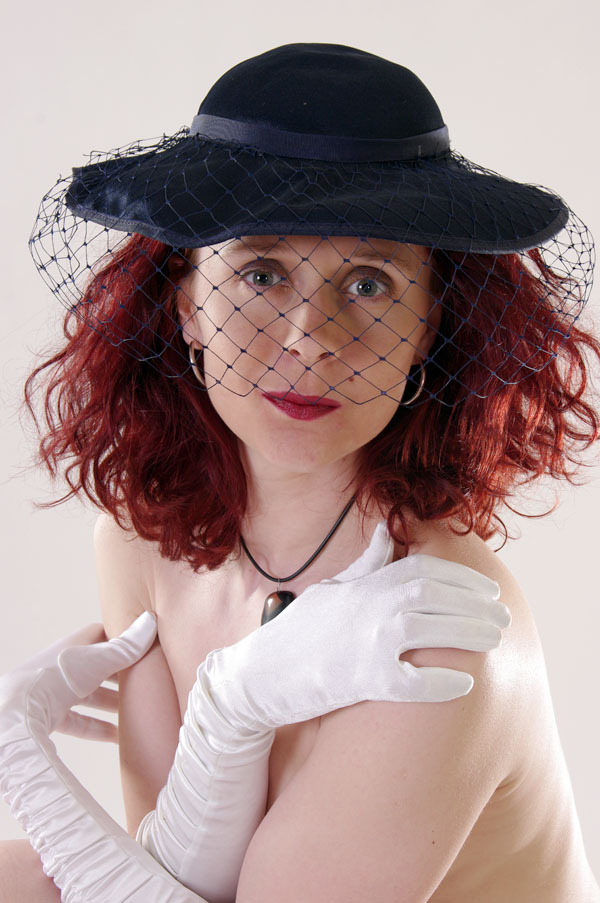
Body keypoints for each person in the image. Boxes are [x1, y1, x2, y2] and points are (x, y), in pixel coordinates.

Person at [1, 42, 600, 902]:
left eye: (368, 284)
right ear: (186, 304)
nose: (308, 339)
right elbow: (161, 877)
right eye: (262, 272)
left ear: (429, 325)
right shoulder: (141, 542)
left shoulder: (440, 620)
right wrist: (226, 712)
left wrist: (28, 758)